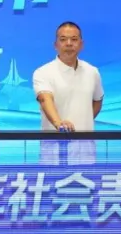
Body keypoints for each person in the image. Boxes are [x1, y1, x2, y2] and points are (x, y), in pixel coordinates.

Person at [33, 22, 103, 165]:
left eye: (74, 39)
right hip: (54, 155)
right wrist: (60, 124)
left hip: (86, 154)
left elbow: (98, 100)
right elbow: (45, 99)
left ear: (81, 44)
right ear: (55, 45)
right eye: (63, 39)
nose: (69, 43)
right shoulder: (43, 72)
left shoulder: (92, 72)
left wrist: (84, 119)